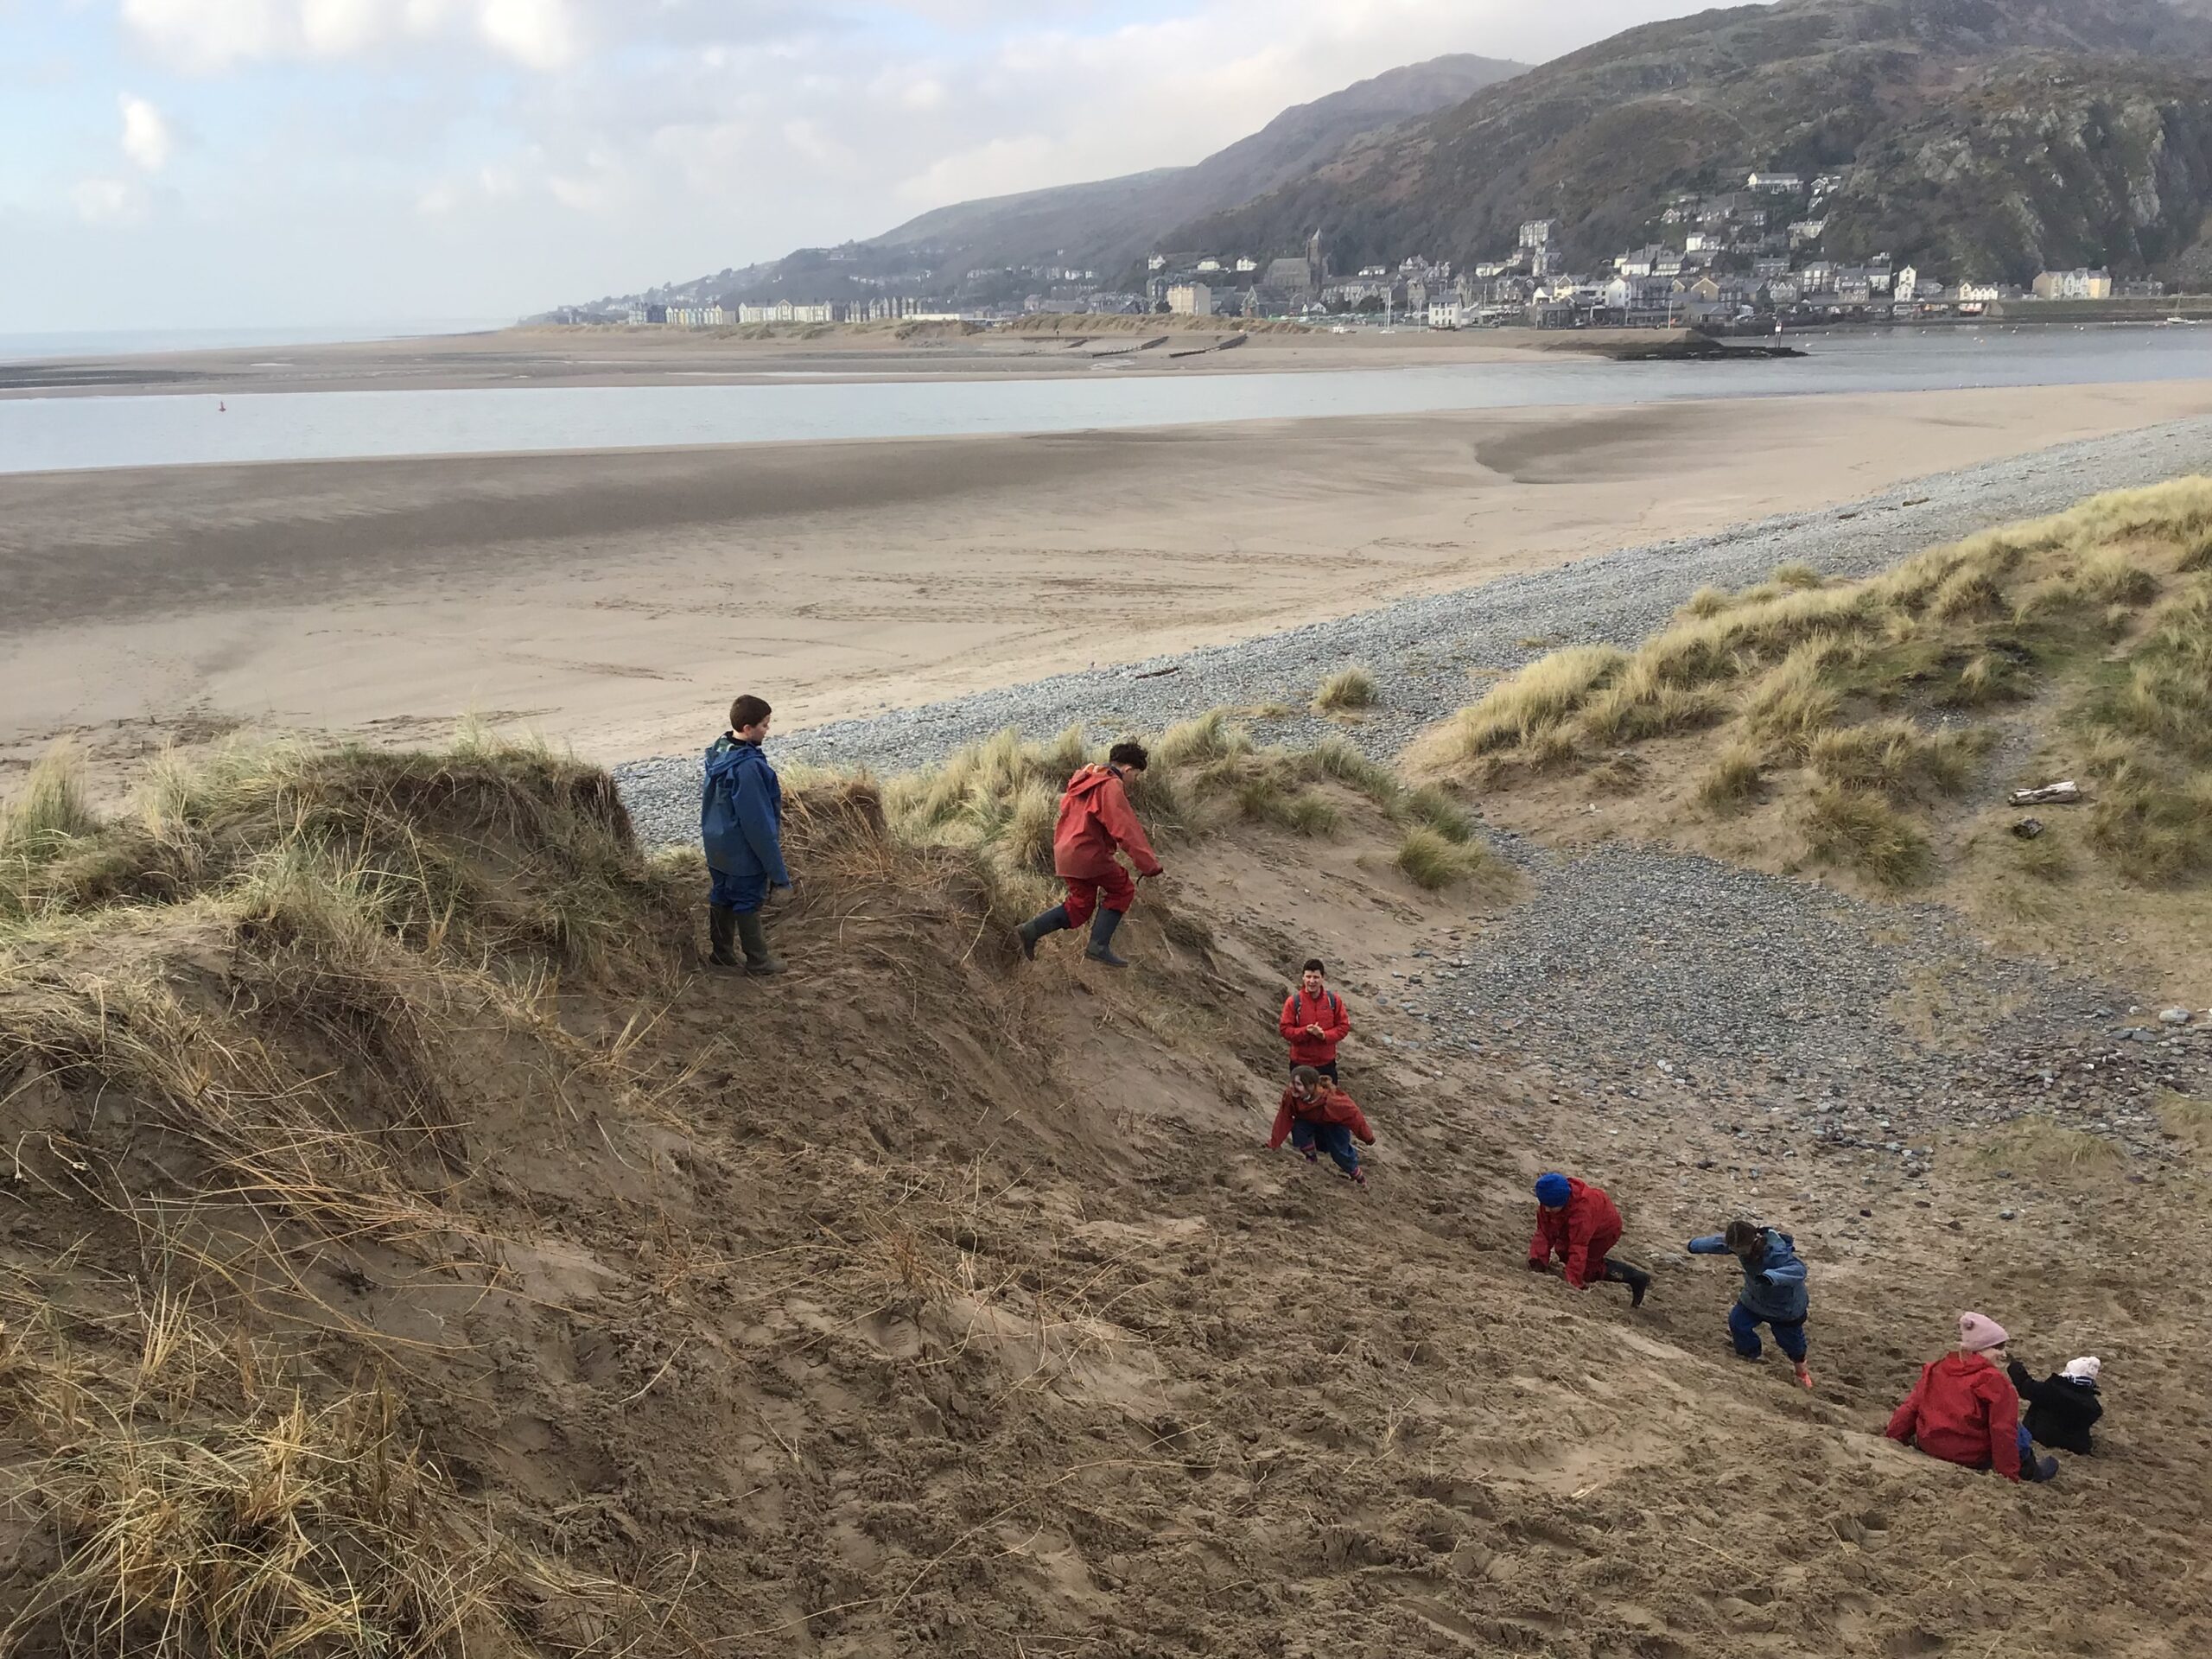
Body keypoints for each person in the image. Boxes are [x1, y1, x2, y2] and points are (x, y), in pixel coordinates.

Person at [1014, 741, 1163, 969]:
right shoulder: (1110, 785)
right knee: (1122, 888)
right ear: (1127, 769)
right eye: (1136, 775)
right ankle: (1098, 946)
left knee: (1081, 905)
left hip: (1064, 852)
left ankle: (1030, 930)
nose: (1134, 781)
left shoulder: (1083, 780)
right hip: (1088, 854)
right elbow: (1125, 829)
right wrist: (1149, 865)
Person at [1885, 1313, 2057, 1483]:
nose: (2003, 1354)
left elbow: (1910, 1408)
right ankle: (2030, 1469)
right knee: (2017, 1430)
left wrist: (1893, 1438)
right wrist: (2008, 1476)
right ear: (1978, 1350)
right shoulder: (1994, 1381)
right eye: (1997, 1348)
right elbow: (2002, 1430)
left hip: (1930, 1446)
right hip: (1969, 1457)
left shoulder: (1937, 1368)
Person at [700, 695, 792, 975]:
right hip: (742, 851)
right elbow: (758, 824)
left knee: (722, 893)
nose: (768, 729)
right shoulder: (748, 768)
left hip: (716, 843)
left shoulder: (719, 751)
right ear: (748, 728)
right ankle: (758, 961)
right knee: (747, 899)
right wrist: (779, 876)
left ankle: (722, 952)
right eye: (764, 725)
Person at [1688, 1218, 1815, 1390]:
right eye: (1734, 1250)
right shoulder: (1740, 1245)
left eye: (1739, 1250)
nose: (1737, 1253)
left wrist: (1772, 1277)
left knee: (1792, 1344)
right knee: (1738, 1322)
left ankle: (1802, 1373)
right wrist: (1694, 1245)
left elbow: (1799, 1270)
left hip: (1784, 1308)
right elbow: (1719, 1243)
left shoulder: (1776, 1253)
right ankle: (1749, 1356)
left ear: (1753, 1242)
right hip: (1754, 1299)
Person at [1527, 1173, 1649, 1306]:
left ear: (1563, 1201)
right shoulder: (1551, 1200)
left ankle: (1636, 1278)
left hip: (1604, 1231)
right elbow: (1544, 1231)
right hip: (1576, 1216)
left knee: (1587, 1269)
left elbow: (1578, 1247)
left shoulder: (1582, 1211)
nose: (1546, 1210)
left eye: (1550, 1207)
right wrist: (1537, 1261)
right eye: (1544, 1204)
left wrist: (1573, 1283)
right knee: (1563, 1251)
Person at [1267, 1065, 1374, 1185]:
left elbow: (1355, 1117)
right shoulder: (1291, 1096)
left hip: (1334, 1125)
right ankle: (1311, 1158)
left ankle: (1358, 1176)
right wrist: (1274, 1143)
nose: (1293, 1087)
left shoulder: (1333, 1101)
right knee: (1299, 1129)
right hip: (1310, 1122)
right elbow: (1283, 1118)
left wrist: (1368, 1138)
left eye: (1298, 1084)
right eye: (1292, 1083)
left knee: (1340, 1154)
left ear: (1311, 1086)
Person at [2008, 1354, 2103, 1456]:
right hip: (2076, 1447)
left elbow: (2026, 1387)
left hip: (2042, 1438)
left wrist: (2015, 1367)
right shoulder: (2093, 1407)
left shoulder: (2052, 1392)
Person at [1279, 958, 1351, 1079]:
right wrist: (1306, 1031)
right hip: (1300, 1064)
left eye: (1316, 977)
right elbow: (1285, 1029)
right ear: (1303, 978)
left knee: (1328, 1092)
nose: (1312, 981)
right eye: (1308, 977)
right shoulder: (1293, 1002)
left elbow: (1343, 1026)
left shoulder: (1333, 1000)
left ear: (1322, 978)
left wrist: (1324, 1036)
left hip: (1326, 1063)